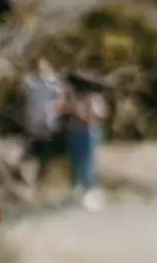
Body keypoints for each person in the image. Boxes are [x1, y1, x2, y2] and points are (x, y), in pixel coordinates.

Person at [64, 75, 108, 211]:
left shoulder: (95, 98)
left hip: (89, 132)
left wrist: (88, 114)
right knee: (76, 162)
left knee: (87, 162)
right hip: (76, 131)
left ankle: (90, 190)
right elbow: (67, 110)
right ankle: (77, 190)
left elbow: (100, 114)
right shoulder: (75, 98)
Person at [20, 58, 66, 186]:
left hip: (49, 122)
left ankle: (41, 178)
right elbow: (22, 97)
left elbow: (61, 98)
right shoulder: (29, 81)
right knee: (29, 150)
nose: (40, 69)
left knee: (45, 152)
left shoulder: (55, 81)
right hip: (33, 121)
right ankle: (26, 176)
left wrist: (55, 109)